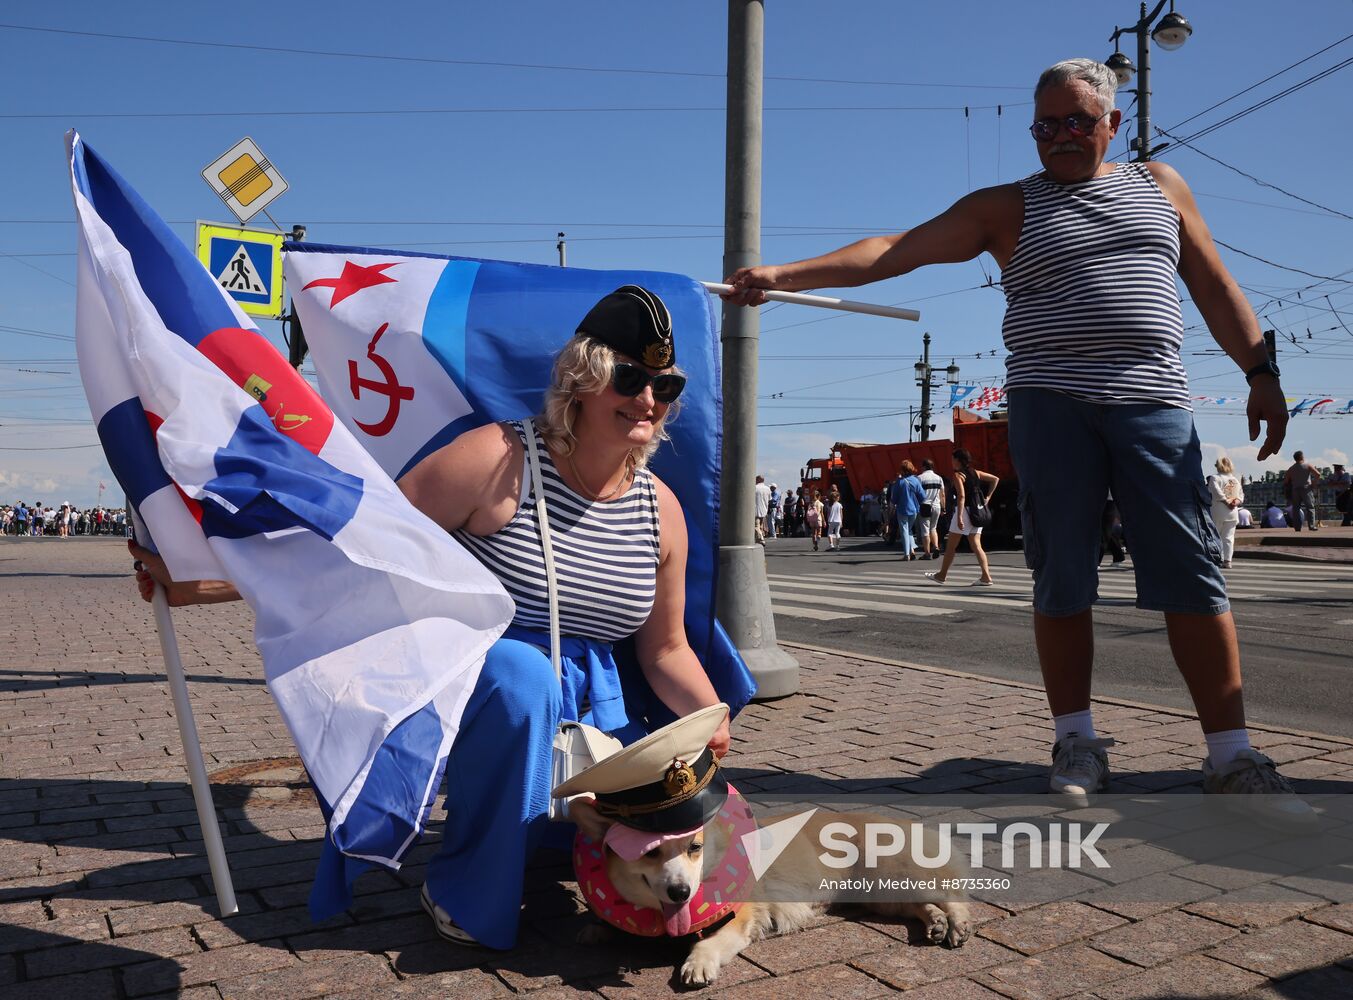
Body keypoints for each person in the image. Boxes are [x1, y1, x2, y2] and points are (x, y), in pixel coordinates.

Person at [722, 57, 1309, 819]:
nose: (1061, 137)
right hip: (1048, 406)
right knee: (1060, 577)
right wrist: (784, 275)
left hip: (1152, 405)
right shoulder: (1007, 207)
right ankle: (1075, 742)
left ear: (1112, 125)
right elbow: (896, 248)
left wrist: (1260, 371)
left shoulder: (1160, 188)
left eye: (1077, 122)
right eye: (1045, 125)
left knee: (1192, 576)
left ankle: (1231, 757)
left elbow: (1214, 285)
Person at [130, 284, 731, 949]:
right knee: (522, 675)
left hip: (591, 719)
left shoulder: (659, 508)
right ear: (583, 381)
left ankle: (538, 842)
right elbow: (359, 549)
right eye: (629, 377)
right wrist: (205, 583)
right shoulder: (497, 460)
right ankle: (463, 891)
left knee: (672, 815)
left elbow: (665, 649)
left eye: (664, 385)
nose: (648, 397)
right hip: (483, 684)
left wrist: (711, 721)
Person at [924, 449, 996, 586]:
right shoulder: (976, 473)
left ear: (958, 460)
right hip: (977, 512)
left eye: (952, 459)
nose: (951, 462)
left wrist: (959, 518)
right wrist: (988, 497)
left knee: (951, 546)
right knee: (977, 546)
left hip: (964, 512)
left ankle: (941, 575)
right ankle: (986, 577)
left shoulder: (958, 475)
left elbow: (961, 496)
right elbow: (995, 479)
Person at [1207, 457, 1244, 568]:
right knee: (1229, 537)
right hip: (1233, 511)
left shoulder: (1215, 478)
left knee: (1215, 535)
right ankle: (1228, 560)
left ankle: (1217, 558)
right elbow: (1241, 495)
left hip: (1218, 510)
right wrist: (1235, 502)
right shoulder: (1235, 479)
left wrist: (1226, 501)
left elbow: (1216, 492)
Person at [890, 462, 925, 560]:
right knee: (909, 530)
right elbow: (922, 496)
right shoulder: (916, 480)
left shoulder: (899, 482)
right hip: (914, 509)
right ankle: (912, 551)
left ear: (902, 470)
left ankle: (906, 554)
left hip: (902, 509)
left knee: (904, 530)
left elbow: (894, 499)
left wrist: (891, 509)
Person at [1283, 451, 1321, 532]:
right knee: (1310, 507)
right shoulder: (1307, 465)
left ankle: (1297, 527)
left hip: (1295, 490)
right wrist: (1313, 484)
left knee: (1296, 509)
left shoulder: (1291, 468)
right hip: (1306, 489)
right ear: (1302, 457)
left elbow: (1286, 481)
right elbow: (1318, 474)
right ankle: (1311, 526)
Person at [916, 459, 945, 559]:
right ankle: (936, 547)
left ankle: (927, 553)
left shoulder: (919, 478)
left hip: (924, 506)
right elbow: (943, 495)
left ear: (924, 467)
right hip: (936, 506)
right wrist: (943, 508)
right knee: (933, 528)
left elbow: (916, 494)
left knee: (925, 530)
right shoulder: (939, 478)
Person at [1329, 463, 1351, 528]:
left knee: (1346, 508)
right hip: (1338, 493)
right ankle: (1346, 521)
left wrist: (1336, 483)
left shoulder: (1346, 475)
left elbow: (1347, 484)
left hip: (1345, 493)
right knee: (1340, 507)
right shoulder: (1334, 475)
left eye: (1337, 468)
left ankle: (1346, 522)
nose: (1335, 469)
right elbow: (1330, 483)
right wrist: (1339, 483)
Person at [754, 475, 771, 544]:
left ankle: (761, 538)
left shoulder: (754, 487)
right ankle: (758, 540)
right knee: (760, 526)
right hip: (764, 509)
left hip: (755, 509)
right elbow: (769, 499)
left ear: (758, 480)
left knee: (755, 526)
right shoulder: (767, 488)